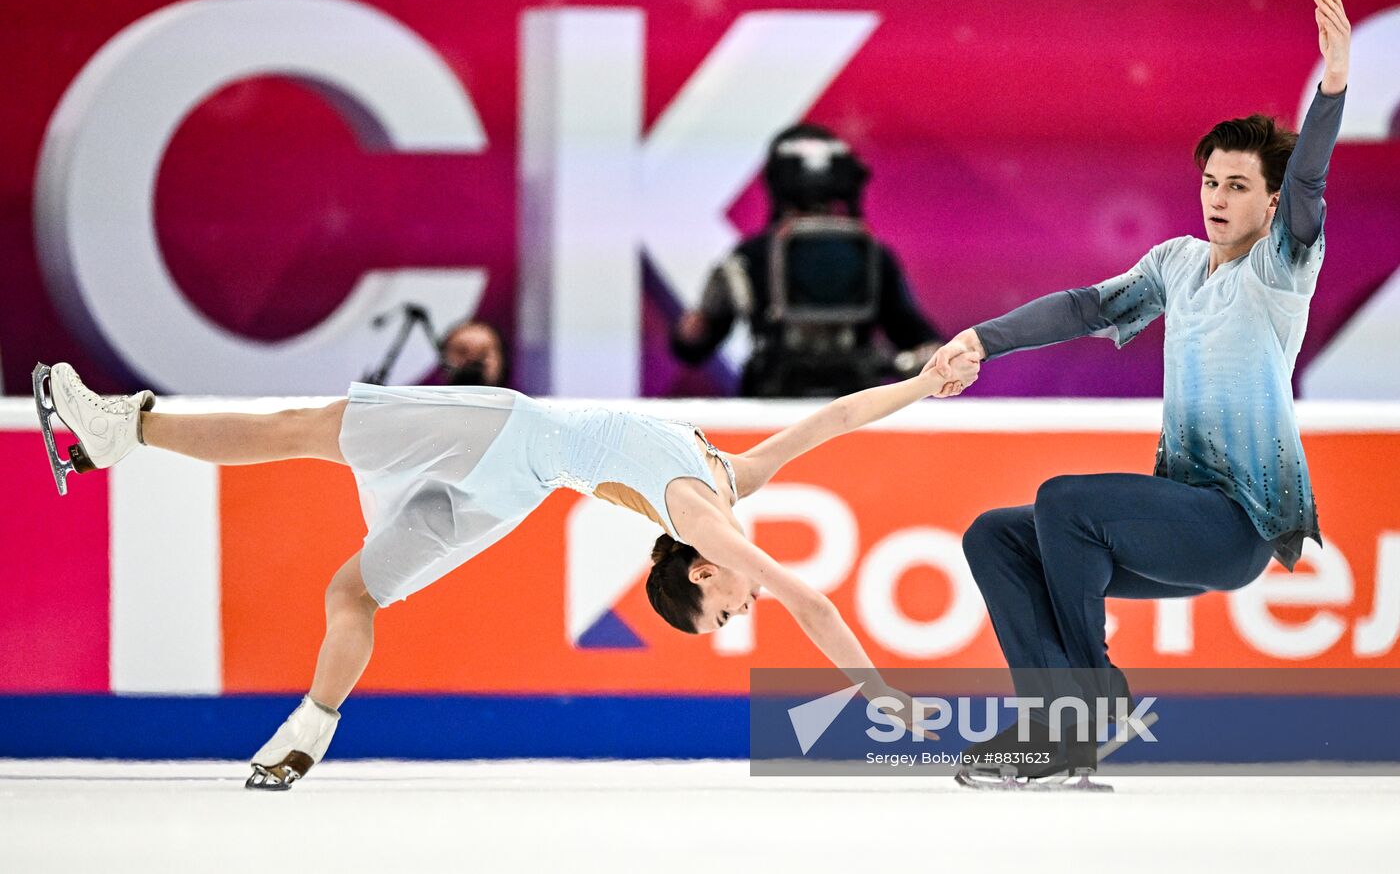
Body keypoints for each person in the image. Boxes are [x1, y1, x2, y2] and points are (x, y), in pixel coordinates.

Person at [32, 352, 978, 789]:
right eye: (731, 613)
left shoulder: (705, 508)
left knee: (336, 531)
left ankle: (310, 726)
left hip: (508, 459)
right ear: (701, 573)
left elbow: (807, 591)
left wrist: (882, 694)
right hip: (505, 458)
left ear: (697, 572)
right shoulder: (718, 494)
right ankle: (125, 428)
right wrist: (924, 384)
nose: (745, 603)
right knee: (322, 485)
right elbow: (838, 422)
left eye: (728, 615)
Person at [926, 0, 1351, 782]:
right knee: (995, 534)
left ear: (1268, 202)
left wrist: (1331, 91)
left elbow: (1310, 186)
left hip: (1235, 526)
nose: (1218, 198)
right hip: (1175, 520)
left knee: (1064, 499)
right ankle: (1051, 723)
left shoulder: (1280, 267)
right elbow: (1086, 307)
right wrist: (983, 338)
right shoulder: (1177, 264)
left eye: (1237, 187)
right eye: (1210, 183)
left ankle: (1089, 708)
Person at [672, 123, 943, 397]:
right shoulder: (872, 254)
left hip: (775, 404)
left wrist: (698, 323)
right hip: (853, 406)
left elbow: (695, 345)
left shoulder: (748, 257)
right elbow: (914, 334)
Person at [434, 318, 509, 387]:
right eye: (462, 351)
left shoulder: (518, 400)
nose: (472, 361)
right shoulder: (425, 399)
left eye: (482, 354)